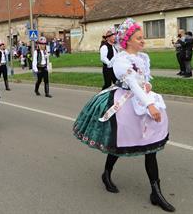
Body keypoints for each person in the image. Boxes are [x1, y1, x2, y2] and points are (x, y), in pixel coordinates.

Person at [73, 18, 175, 212]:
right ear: (128, 41)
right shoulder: (121, 60)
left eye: (142, 37)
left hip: (142, 100)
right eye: (139, 38)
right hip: (125, 103)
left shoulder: (143, 58)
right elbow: (132, 84)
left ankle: (156, 191)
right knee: (119, 143)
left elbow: (142, 81)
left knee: (150, 145)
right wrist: (150, 104)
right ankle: (106, 173)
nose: (143, 41)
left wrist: (148, 87)